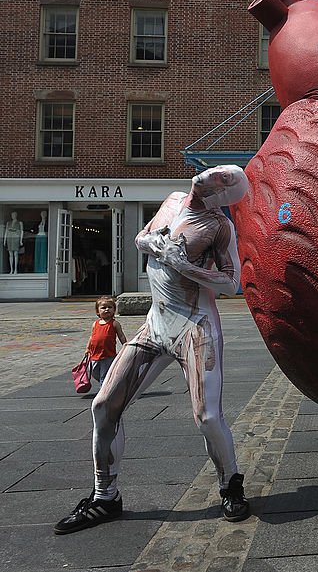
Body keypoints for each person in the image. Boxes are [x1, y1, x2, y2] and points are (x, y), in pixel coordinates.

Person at [55, 165, 252, 534]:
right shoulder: (173, 201)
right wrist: (154, 243)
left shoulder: (218, 226)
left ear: (223, 196)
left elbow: (231, 282)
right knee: (103, 405)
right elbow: (140, 238)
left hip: (195, 326)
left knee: (207, 416)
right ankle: (104, 496)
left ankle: (230, 483)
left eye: (225, 181)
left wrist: (183, 264)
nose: (213, 179)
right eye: (218, 174)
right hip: (156, 323)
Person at [86, 296, 127, 388]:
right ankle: (107, 384)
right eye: (103, 307)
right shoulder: (95, 324)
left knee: (104, 375)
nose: (107, 309)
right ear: (98, 311)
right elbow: (92, 337)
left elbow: (121, 336)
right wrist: (88, 348)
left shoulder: (114, 323)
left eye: (110, 307)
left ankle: (104, 389)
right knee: (93, 371)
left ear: (114, 310)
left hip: (108, 354)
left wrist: (125, 345)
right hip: (94, 354)